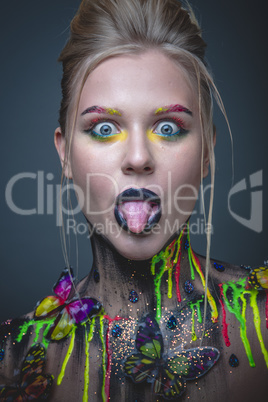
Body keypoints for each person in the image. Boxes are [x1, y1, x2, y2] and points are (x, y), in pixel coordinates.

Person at [0, 0, 267, 401]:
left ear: (207, 150)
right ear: (65, 153)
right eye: (104, 127)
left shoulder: (261, 321)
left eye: (168, 127)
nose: (139, 158)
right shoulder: (16, 358)